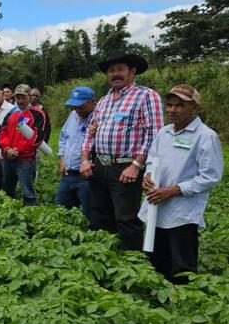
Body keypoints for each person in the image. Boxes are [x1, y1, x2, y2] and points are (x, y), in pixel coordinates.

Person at [138, 85, 223, 283]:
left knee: (182, 266)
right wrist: (148, 174)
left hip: (182, 212)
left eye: (179, 105)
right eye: (169, 105)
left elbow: (210, 176)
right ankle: (160, 296)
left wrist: (174, 190)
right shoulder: (164, 132)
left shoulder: (205, 136)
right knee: (157, 259)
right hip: (157, 206)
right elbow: (152, 159)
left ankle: (184, 297)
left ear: (194, 107)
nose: (172, 110)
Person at [80, 50, 163, 250]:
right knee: (100, 215)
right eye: (111, 70)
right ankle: (106, 255)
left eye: (120, 69)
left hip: (125, 167)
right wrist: (85, 159)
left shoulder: (146, 96)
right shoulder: (104, 100)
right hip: (100, 166)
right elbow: (91, 131)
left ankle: (131, 261)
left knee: (126, 219)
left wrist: (136, 165)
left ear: (132, 72)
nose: (115, 74)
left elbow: (155, 134)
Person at [0, 84, 46, 206]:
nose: (20, 101)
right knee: (7, 191)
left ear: (29, 97)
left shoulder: (37, 114)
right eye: (17, 98)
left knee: (27, 192)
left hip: (25, 160)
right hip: (8, 158)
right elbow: (3, 133)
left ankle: (31, 213)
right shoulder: (11, 114)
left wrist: (17, 150)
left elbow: (37, 137)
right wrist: (7, 149)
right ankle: (10, 212)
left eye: (23, 98)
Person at [57, 86, 96, 218]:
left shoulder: (99, 118)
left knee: (90, 214)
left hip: (87, 177)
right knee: (61, 211)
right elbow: (63, 138)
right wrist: (62, 159)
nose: (77, 110)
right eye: (74, 106)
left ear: (92, 102)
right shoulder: (72, 115)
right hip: (67, 174)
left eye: (81, 106)